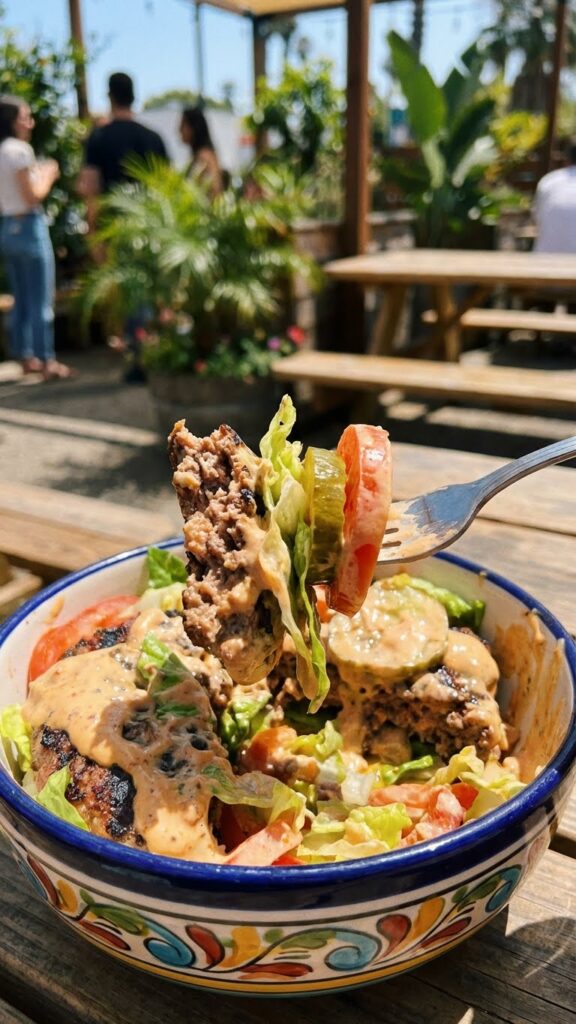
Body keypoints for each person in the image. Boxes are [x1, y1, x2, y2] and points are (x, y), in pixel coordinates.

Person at [78, 73, 168, 382]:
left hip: (116, 228)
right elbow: (167, 190)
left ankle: (140, 360)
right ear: (133, 95)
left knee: (130, 295)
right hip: (153, 228)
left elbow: (90, 187)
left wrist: (92, 232)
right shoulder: (153, 138)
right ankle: (156, 353)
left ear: (110, 96)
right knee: (151, 292)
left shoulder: (99, 138)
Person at [0, 96, 74, 380]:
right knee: (41, 297)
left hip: (8, 226)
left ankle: (25, 355)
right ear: (12, 121)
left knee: (20, 297)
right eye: (24, 116)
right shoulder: (19, 150)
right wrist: (48, 173)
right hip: (29, 226)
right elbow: (33, 195)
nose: (29, 122)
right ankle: (46, 361)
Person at [534, 138, 576, 253]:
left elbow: (537, 219)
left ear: (566, 159)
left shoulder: (549, 181)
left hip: (543, 262)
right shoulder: (549, 181)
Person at [179, 107, 222, 197]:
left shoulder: (204, 156)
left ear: (194, 127)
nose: (179, 130)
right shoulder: (201, 154)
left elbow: (215, 191)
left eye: (183, 125)